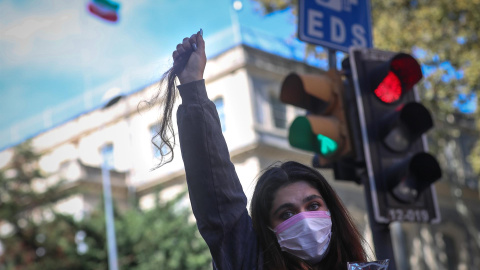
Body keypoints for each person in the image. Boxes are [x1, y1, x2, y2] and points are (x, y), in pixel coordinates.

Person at [161, 30, 369, 270]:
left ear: (332, 211)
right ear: (269, 229)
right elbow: (219, 200)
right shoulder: (253, 263)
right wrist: (192, 88)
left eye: (313, 206)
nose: (306, 221)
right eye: (286, 214)